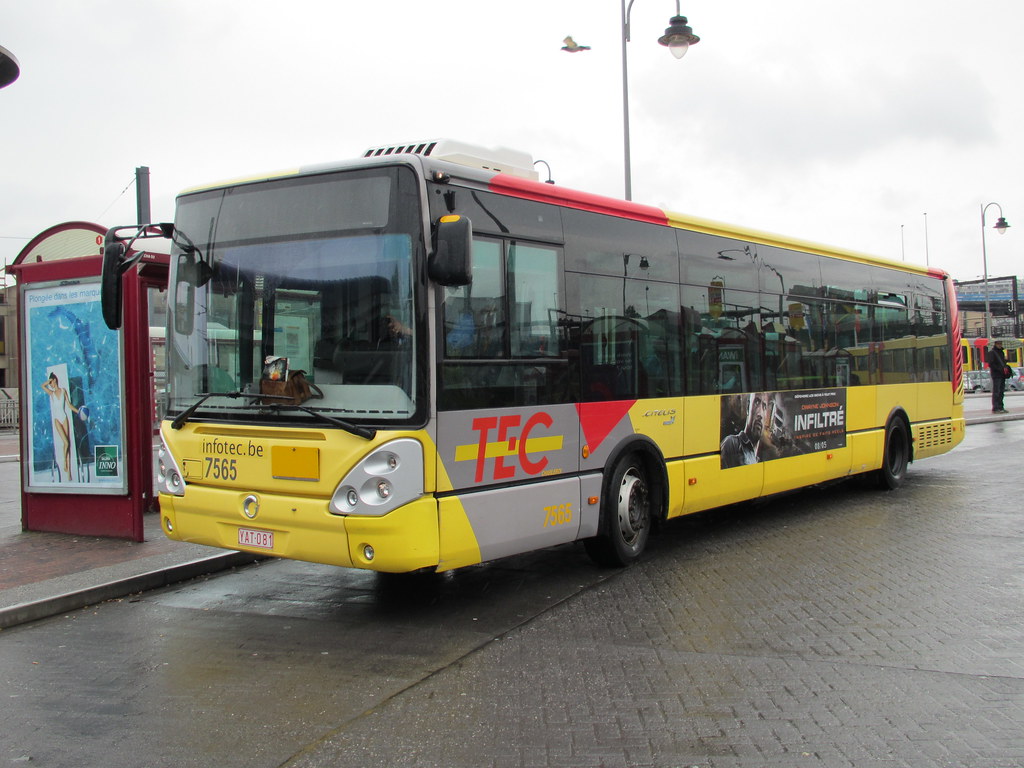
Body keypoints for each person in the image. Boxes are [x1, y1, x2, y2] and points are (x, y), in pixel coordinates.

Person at [41, 371, 82, 478]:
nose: (50, 384)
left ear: (55, 380)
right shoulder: (52, 393)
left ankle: (68, 473)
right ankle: (64, 463)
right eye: (50, 383)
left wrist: (79, 412)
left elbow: (69, 405)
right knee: (66, 443)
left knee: (67, 444)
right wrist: (48, 381)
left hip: (64, 418)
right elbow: (42, 385)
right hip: (57, 420)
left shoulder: (63, 391)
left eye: (51, 382)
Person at [720, 391, 769, 468]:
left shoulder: (759, 458)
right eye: (756, 402)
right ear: (748, 407)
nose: (760, 414)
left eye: (764, 406)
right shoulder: (731, 443)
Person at [987, 340, 1011, 414]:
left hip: (1002, 374)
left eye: (1001, 343)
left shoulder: (1001, 352)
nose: (1000, 345)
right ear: (995, 344)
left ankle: (1001, 407)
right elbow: (991, 364)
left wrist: (1005, 361)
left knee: (1001, 391)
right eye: (998, 344)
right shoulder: (992, 352)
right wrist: (999, 369)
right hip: (996, 374)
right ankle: (996, 408)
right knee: (996, 391)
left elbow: (1001, 363)